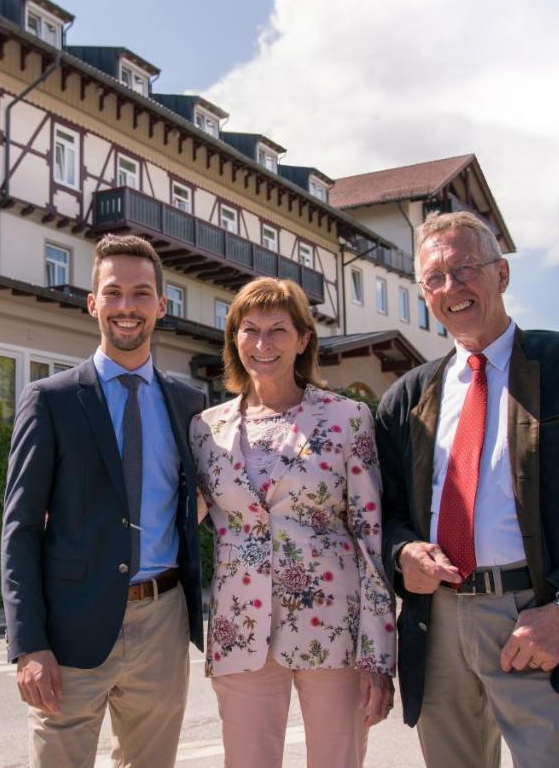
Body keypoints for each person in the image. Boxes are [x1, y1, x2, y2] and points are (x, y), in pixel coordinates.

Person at [374, 211, 559, 767]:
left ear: (502, 275)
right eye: (434, 278)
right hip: (438, 621)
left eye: (465, 270)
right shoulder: (405, 398)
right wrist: (402, 552)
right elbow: (387, 515)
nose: (451, 289)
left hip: (536, 619)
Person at [1, 233, 206, 767]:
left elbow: (204, 507)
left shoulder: (190, 404)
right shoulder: (51, 401)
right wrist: (28, 644)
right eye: (112, 293)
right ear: (91, 303)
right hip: (70, 630)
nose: (126, 307)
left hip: (163, 622)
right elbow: (20, 528)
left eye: (141, 294)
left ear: (162, 305)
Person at [190, 276, 395, 768]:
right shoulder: (206, 428)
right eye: (250, 329)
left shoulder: (348, 419)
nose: (263, 345)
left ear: (304, 339)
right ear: (234, 339)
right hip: (240, 630)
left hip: (334, 630)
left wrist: (379, 654)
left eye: (278, 330)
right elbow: (178, 517)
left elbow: (372, 539)